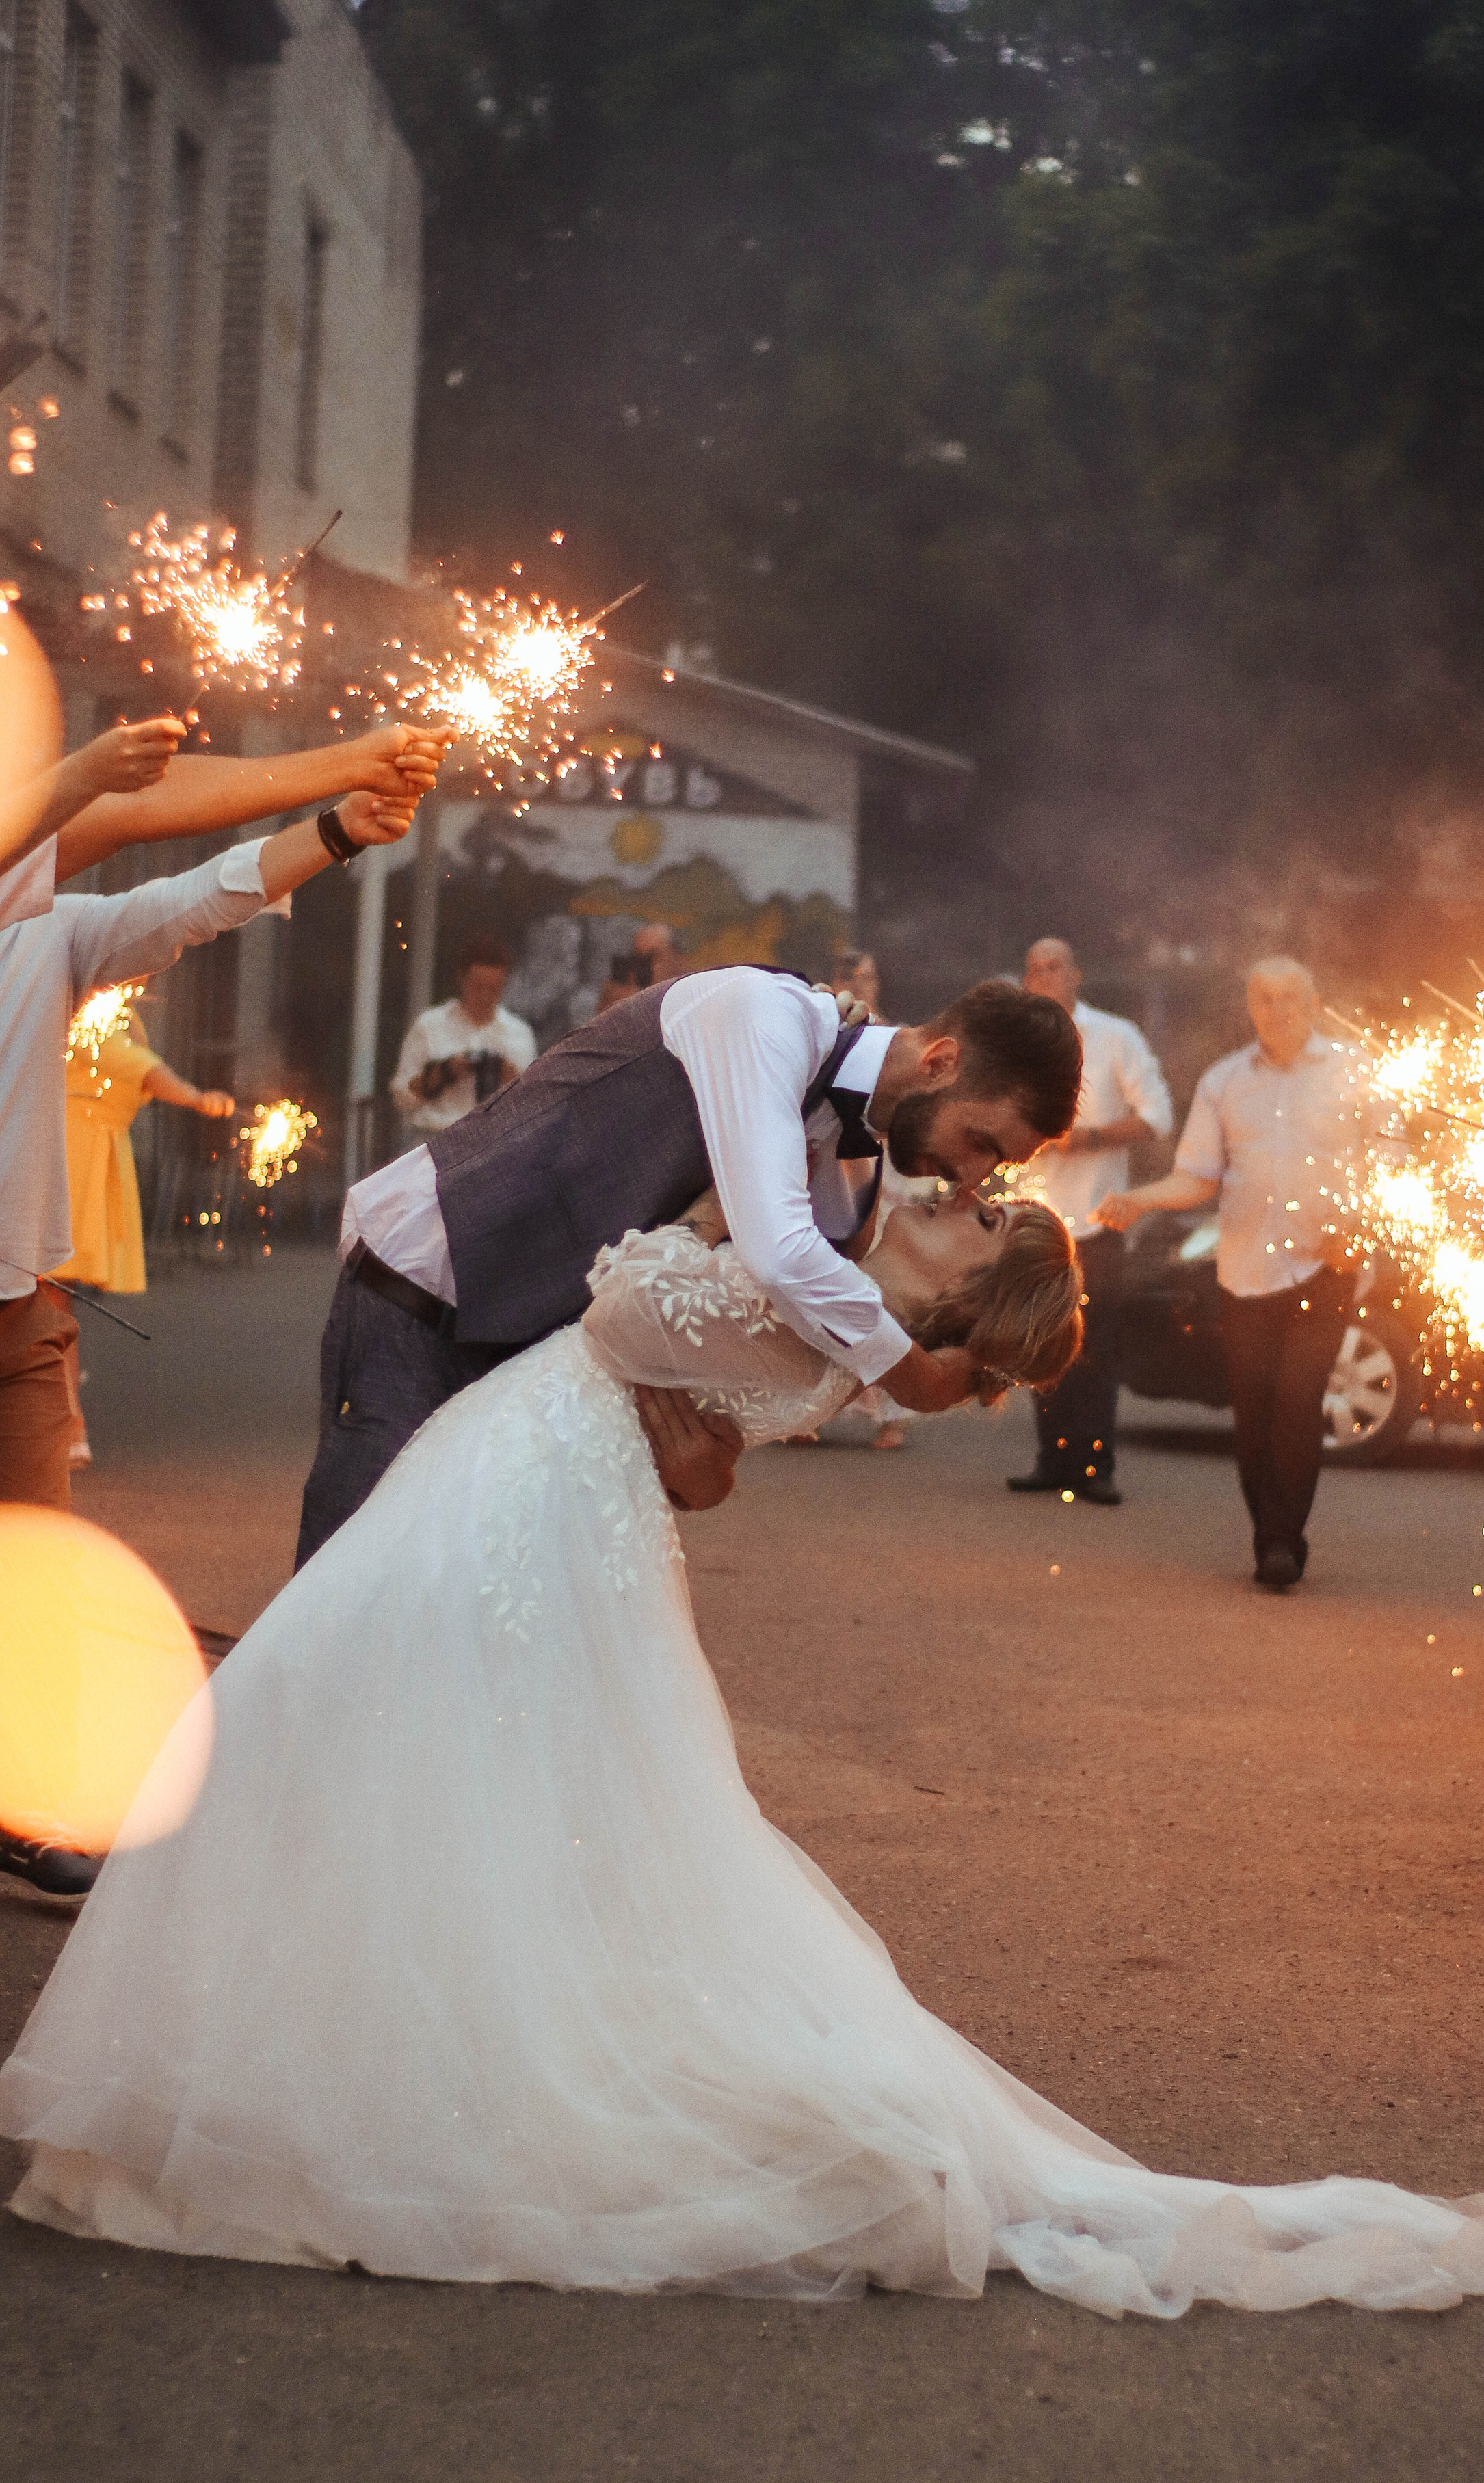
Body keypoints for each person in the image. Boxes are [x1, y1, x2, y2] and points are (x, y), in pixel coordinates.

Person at [0, 1191, 1484, 2317]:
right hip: (539, 1478)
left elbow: (618, 1307)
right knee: (393, 1737)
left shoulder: (840, 1310)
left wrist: (692, 1251)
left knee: (396, 1735)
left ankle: (390, 2085)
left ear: (959, 1276)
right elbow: (698, 1424)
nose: (958, 1199)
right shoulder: (838, 1298)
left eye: (976, 1214)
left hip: (536, 1479)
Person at [0, 782, 421, 1900]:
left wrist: (332, 830)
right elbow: (85, 822)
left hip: (22, 1320)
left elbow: (203, 896)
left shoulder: (58, 931)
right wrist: (95, 770)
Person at [295, 973, 1084, 1565]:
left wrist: (705, 1468)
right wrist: (911, 1377)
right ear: (942, 1063)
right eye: (982, 1142)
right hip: (430, 1292)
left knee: (443, 1638)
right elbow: (775, 1254)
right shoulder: (763, 1015)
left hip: (527, 1383)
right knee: (349, 1597)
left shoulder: (859, 1185)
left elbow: (742, 1339)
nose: (970, 1177)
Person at [1099, 958, 1359, 1588]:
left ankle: (1280, 1542)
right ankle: (1267, 1533)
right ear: (1251, 1008)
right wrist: (1142, 1199)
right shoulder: (1224, 1082)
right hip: (1245, 1270)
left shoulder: (1356, 1074)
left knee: (1299, 1404)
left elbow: (1389, 1162)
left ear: (1316, 1003)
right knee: (1256, 1411)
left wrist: (1357, 1223)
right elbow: (1198, 1176)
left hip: (1326, 1267)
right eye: (1265, 999)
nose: (1279, 1011)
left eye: (1291, 998)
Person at [1007, 936, 1174, 1506]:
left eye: (1054, 967)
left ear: (1077, 976)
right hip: (1036, 1217)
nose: (1043, 977)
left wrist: (1092, 1139)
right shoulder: (1017, 1043)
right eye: (1034, 969)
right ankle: (1052, 1460)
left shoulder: (1116, 1036)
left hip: (1100, 1214)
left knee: (1096, 1344)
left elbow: (1159, 1116)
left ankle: (1095, 1467)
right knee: (1042, 1339)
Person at [49, 995, 235, 1466]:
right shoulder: (89, 1000)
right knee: (47, 1299)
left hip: (80, 1146)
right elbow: (130, 1062)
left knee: (49, 1299)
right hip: (67, 1151)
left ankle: (64, 1419)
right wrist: (193, 1096)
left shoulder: (112, 1005)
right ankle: (65, 1422)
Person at [390, 932, 536, 1138]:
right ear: (462, 979)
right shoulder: (430, 1025)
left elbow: (531, 1107)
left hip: (494, 1143)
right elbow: (401, 1098)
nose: (485, 996)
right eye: (478, 987)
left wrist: (510, 1081)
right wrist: (443, 1074)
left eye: (493, 989)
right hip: (435, 1139)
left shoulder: (519, 1034)